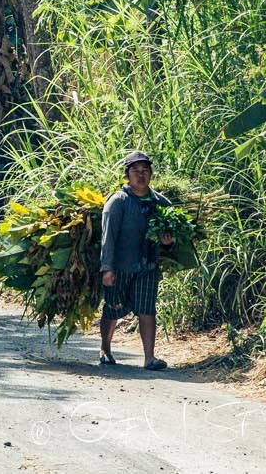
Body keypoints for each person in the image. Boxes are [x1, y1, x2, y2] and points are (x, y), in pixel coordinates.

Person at [98, 150, 174, 370]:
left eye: (145, 171)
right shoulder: (118, 202)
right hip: (120, 266)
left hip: (148, 265)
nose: (141, 175)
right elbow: (108, 236)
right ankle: (105, 348)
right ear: (127, 175)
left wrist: (168, 242)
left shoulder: (161, 203)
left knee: (147, 309)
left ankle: (149, 358)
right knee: (112, 308)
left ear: (151, 174)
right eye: (135, 171)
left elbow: (171, 238)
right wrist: (107, 268)